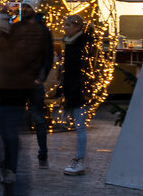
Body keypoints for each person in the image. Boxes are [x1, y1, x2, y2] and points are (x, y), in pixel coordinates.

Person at [0, 11, 41, 196]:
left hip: (8, 103)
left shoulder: (7, 46)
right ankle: (6, 174)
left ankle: (6, 174)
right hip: (1, 103)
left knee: (2, 146)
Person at [16, 0, 53, 168]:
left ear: (34, 9)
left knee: (38, 117)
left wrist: (40, 77)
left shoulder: (43, 31)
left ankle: (43, 150)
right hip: (19, 79)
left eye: (28, 6)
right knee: (18, 116)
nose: (24, 9)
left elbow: (48, 56)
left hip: (34, 80)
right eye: (23, 6)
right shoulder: (17, 28)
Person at [54, 17, 91, 176]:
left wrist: (76, 89)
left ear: (77, 27)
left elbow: (81, 70)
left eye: (68, 25)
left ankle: (79, 159)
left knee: (79, 126)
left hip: (79, 91)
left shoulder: (81, 45)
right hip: (73, 90)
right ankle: (79, 158)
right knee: (75, 125)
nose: (65, 28)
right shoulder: (70, 43)